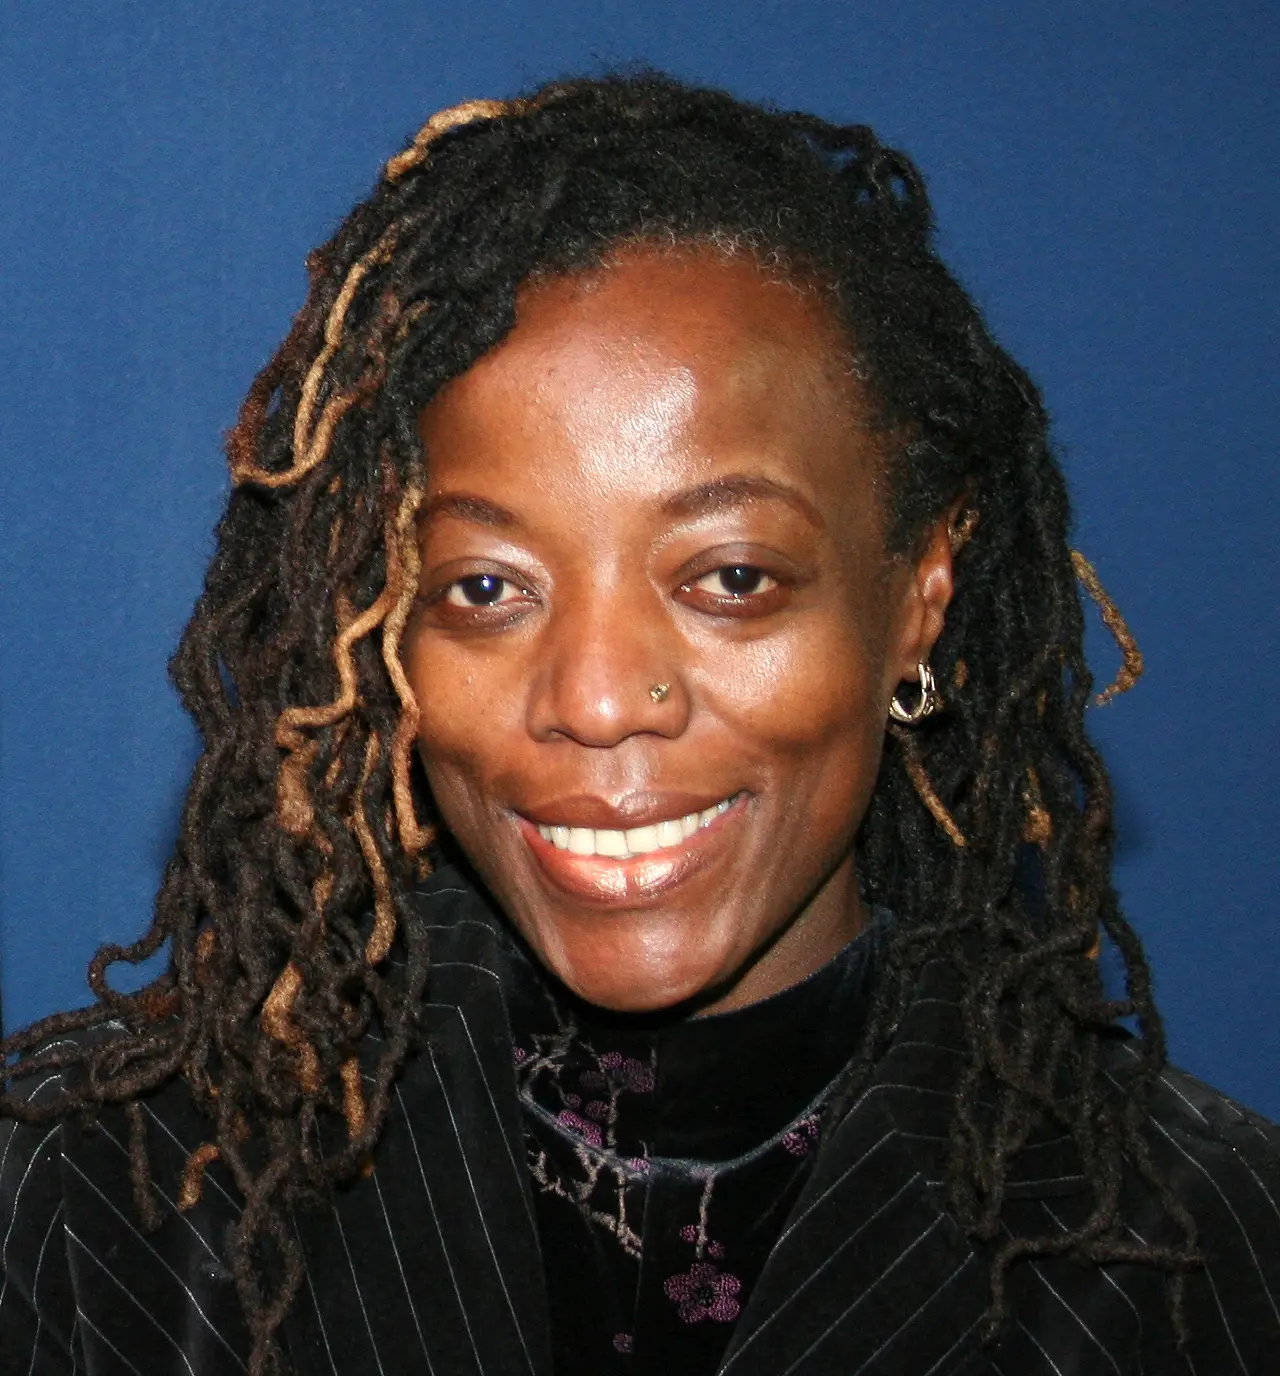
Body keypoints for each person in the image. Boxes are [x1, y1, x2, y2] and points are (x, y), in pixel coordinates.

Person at [1, 72, 1276, 1376]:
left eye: (732, 577)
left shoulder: (1202, 1259)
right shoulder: (115, 1203)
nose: (600, 699)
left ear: (918, 595)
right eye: (486, 588)